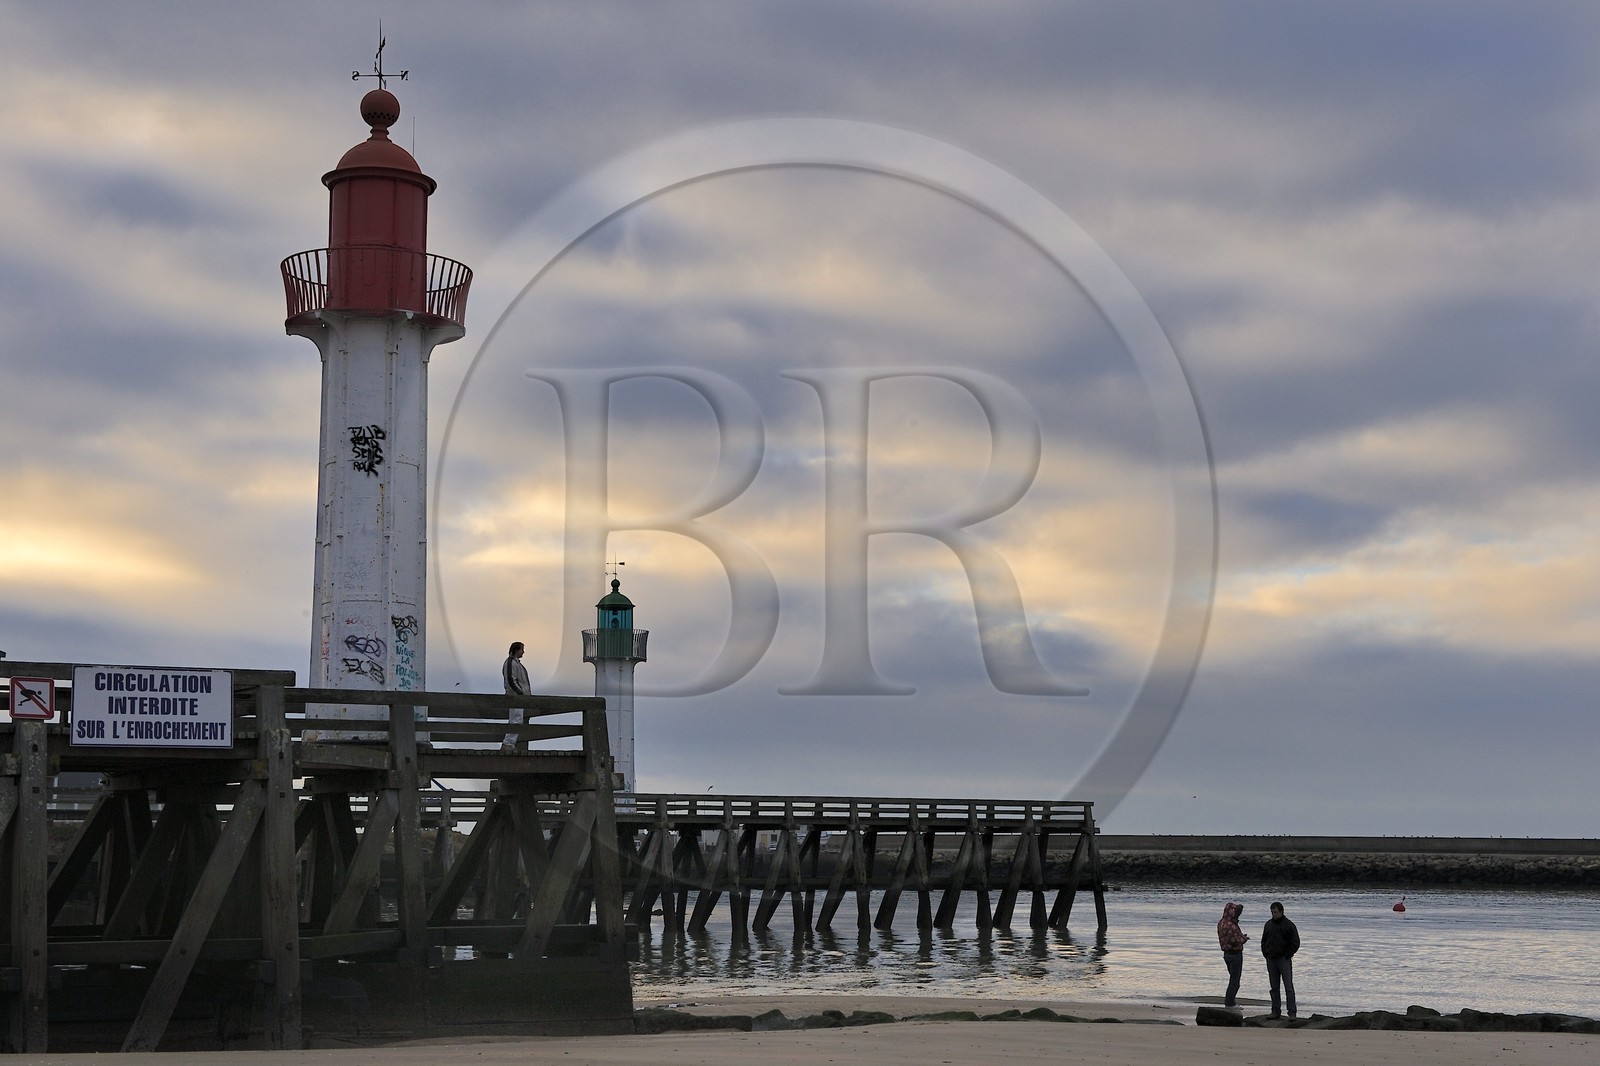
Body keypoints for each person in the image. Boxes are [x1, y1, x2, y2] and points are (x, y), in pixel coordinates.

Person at [1260, 900, 1300, 1018]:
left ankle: (1292, 1012)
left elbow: (1295, 942)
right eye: (1272, 912)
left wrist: (1287, 955)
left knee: (1288, 987)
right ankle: (1275, 1011)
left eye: (1275, 912)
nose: (1273, 914)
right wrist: (1265, 953)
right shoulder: (1268, 925)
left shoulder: (1289, 925)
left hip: (1284, 959)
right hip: (1271, 959)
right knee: (1274, 987)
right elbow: (1263, 941)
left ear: (1282, 912)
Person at [1216, 901, 1248, 1008]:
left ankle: (1231, 1001)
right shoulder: (1231, 925)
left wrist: (1240, 937)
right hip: (1235, 954)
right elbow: (1235, 940)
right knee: (1235, 980)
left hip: (1226, 954)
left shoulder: (1221, 922)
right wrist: (1244, 938)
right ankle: (1230, 1003)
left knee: (1233, 979)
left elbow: (1229, 938)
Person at [501, 641, 530, 752]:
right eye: (522, 649)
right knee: (515, 719)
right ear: (516, 650)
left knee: (517, 719)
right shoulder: (511, 663)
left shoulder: (516, 663)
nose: (523, 652)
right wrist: (520, 693)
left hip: (518, 696)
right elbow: (510, 680)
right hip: (515, 697)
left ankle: (510, 744)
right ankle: (508, 744)